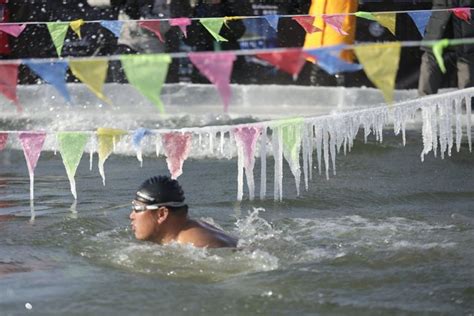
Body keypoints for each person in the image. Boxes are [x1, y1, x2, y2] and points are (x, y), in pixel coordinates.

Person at [129, 175, 238, 248]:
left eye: (137, 208)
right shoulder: (189, 230)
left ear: (161, 214)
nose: (131, 216)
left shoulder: (196, 244)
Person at [418, 0, 474, 96]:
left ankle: (468, 102)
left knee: (466, 57)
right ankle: (425, 102)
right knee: (430, 56)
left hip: (465, 17)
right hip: (440, 16)